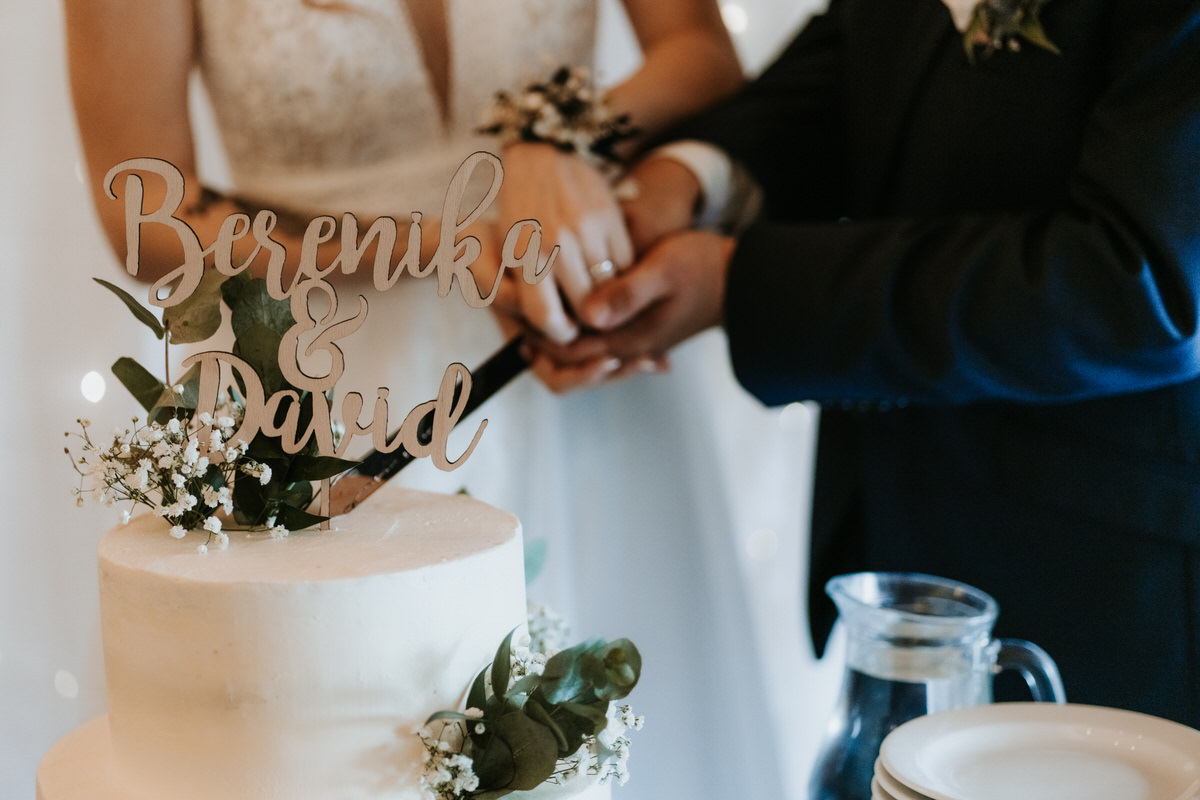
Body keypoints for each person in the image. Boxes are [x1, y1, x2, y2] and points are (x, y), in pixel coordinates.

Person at [64, 1, 811, 797]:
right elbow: (142, 211)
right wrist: (435, 240)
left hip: (578, 353)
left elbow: (700, 51)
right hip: (321, 380)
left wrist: (554, 138)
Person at [537, 0, 1200, 727]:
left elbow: (1140, 286)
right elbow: (856, 59)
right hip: (900, 552)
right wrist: (691, 179)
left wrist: (743, 284)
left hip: (1105, 571)